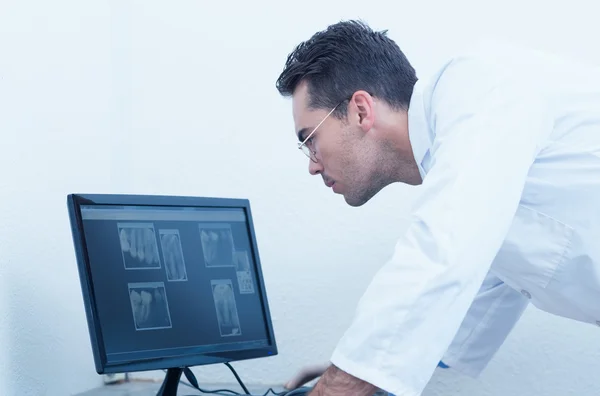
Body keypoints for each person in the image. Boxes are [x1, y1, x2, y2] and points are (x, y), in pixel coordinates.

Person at [274, 19, 600, 396]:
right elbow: (485, 288)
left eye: (309, 140)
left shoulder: (481, 87)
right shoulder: (466, 161)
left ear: (361, 111)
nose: (312, 165)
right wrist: (352, 370)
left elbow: (444, 252)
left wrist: (346, 382)